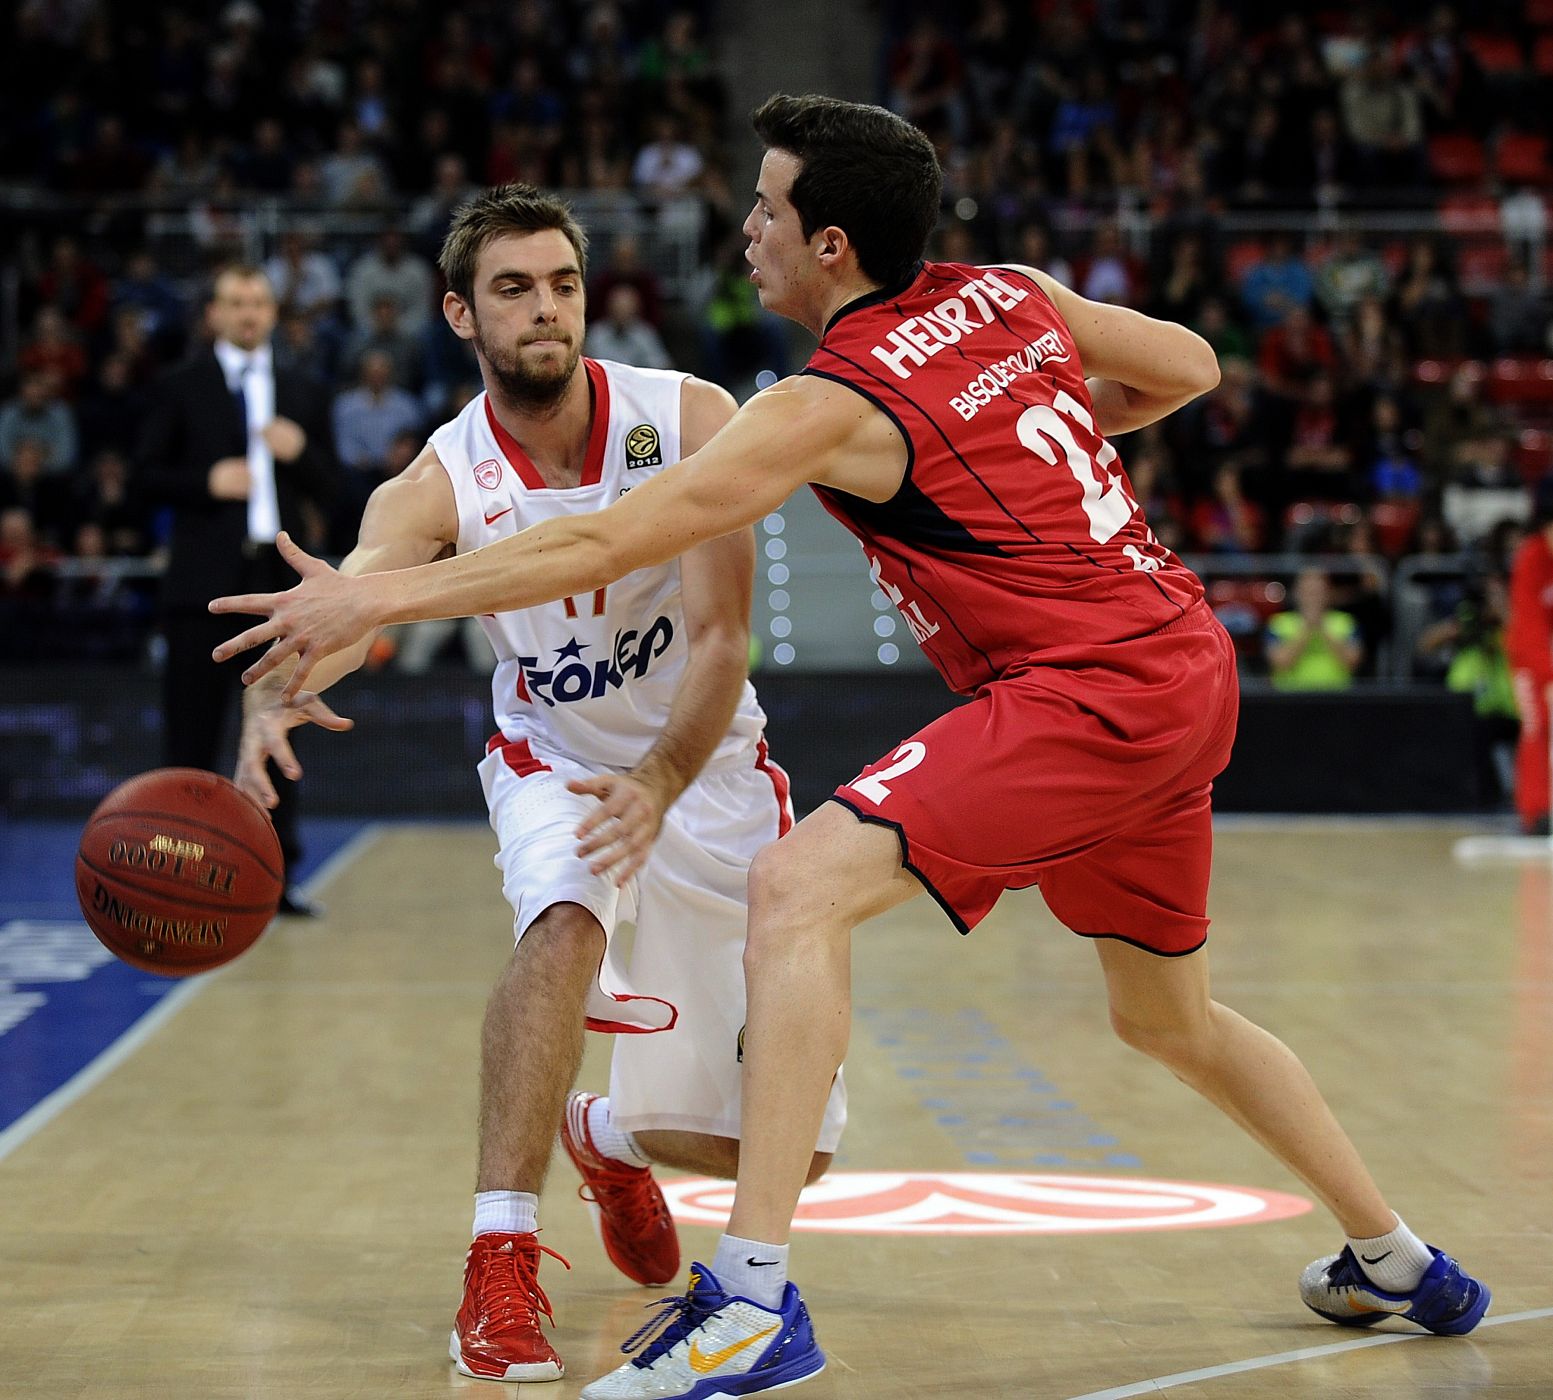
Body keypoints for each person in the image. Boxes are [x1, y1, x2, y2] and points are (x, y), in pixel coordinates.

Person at [212, 97, 1490, 1395]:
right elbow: (1194, 365)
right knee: (1168, 1018)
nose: (746, 230)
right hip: (1181, 659)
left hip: (1086, 687)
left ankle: (754, 1304)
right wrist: (1040, 423)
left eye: (765, 209)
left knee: (797, 887)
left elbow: (607, 540)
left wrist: (374, 598)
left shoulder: (823, 401)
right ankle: (1394, 1256)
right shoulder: (1012, 293)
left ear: (828, 243)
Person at [224, 184, 845, 1385]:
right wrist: (292, 674)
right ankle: (498, 1259)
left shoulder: (691, 415)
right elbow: (362, 592)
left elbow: (721, 639)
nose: (544, 308)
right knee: (558, 917)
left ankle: (602, 1130)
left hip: (703, 762)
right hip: (551, 753)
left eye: (560, 282)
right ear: (459, 312)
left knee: (771, 1149)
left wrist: (663, 777)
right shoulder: (437, 479)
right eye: (512, 288)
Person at [136, 263, 338, 914]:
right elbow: (140, 477)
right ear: (214, 314)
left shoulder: (303, 389)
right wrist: (204, 483)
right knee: (190, 739)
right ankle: (182, 875)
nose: (247, 313)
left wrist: (300, 453)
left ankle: (275, 879)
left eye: (258, 302)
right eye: (234, 302)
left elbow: (339, 492)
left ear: (273, 314)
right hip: (200, 587)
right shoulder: (177, 385)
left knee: (278, 735)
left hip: (279, 588)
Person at [1507, 480, 1553, 835]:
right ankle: (1535, 811)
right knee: (1536, 727)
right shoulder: (1531, 559)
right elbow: (1529, 629)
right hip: (1530, 663)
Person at [1266, 568, 1364, 691]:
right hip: (1290, 698)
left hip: (1337, 697)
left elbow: (1352, 662)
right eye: (1308, 591)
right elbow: (1281, 662)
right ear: (1297, 592)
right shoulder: (1279, 623)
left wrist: (1322, 627)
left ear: (1328, 593)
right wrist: (1307, 628)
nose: (1313, 597)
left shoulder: (1346, 622)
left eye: (1318, 591)